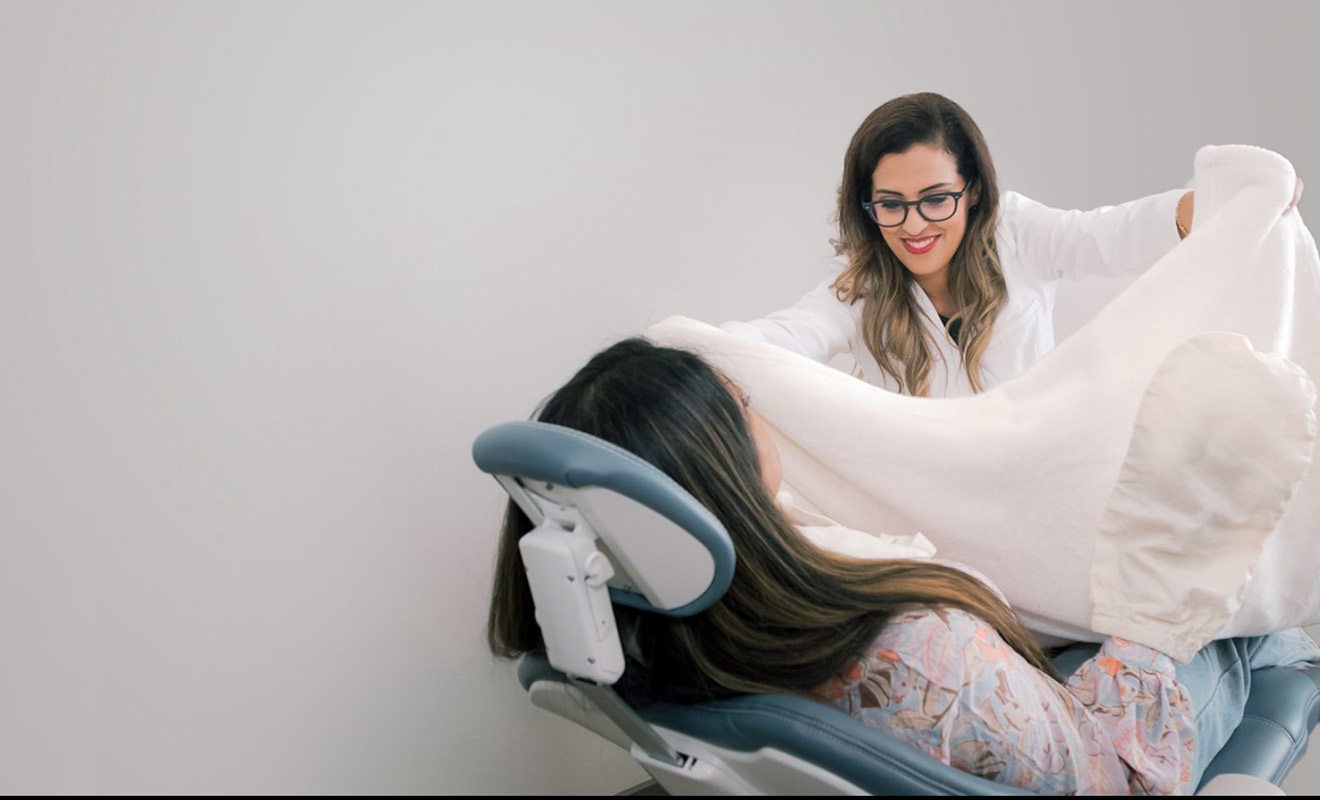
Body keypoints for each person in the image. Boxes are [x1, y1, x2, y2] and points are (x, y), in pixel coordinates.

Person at [485, 338, 1320, 794]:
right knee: (1266, 638)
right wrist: (1148, 636)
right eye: (742, 404)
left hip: (997, 735)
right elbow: (1105, 776)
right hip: (1102, 765)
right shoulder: (920, 651)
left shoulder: (646, 646)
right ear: (724, 470)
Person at [724, 92, 1301, 397]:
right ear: (866, 206)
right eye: (891, 205)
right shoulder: (861, 285)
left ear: (972, 191)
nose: (914, 225)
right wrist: (696, 350)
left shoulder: (1018, 232)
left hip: (1037, 474)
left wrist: (1240, 197)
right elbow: (787, 334)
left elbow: (1116, 234)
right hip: (934, 500)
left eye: (935, 198)